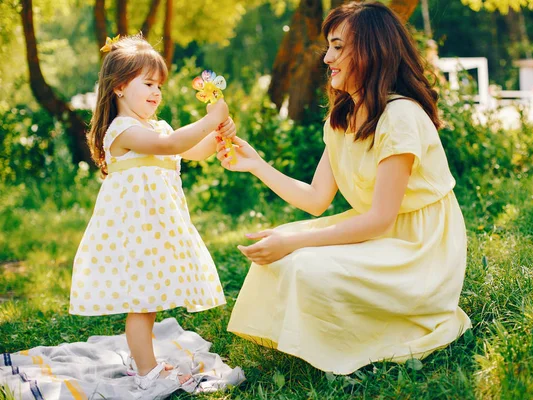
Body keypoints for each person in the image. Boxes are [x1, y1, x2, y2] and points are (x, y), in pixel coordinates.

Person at [218, 1, 471, 375]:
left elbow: (380, 220)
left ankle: (376, 329)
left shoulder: (400, 116)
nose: (327, 58)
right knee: (284, 247)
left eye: (338, 47)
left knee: (300, 260)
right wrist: (256, 165)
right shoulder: (344, 117)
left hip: (420, 248)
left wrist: (296, 242)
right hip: (383, 232)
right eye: (329, 46)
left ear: (371, 50)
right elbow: (317, 199)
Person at [69, 34, 236, 391]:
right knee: (142, 304)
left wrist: (219, 131)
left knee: (149, 300)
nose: (156, 92)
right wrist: (208, 121)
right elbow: (170, 146)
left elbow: (191, 150)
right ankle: (147, 371)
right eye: (147, 83)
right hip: (135, 230)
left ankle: (144, 360)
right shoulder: (123, 131)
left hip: (158, 229)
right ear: (118, 87)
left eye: (159, 85)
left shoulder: (157, 126)